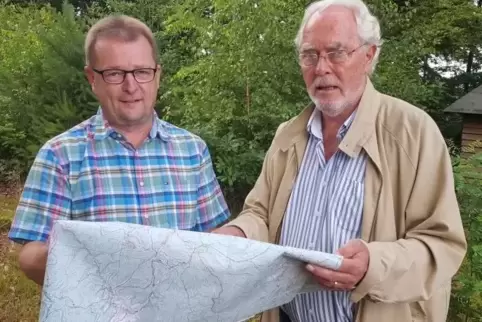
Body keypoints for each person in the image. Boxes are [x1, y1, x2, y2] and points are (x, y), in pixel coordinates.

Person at [213, 0, 467, 321]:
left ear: (369, 55)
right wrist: (238, 235)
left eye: (336, 52)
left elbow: (442, 245)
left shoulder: (413, 133)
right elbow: (262, 215)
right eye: (309, 55)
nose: (321, 68)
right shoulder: (287, 135)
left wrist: (372, 266)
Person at [8, 15, 230, 286]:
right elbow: (30, 256)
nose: (131, 86)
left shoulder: (192, 150)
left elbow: (214, 235)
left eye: (141, 72)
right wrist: (99, 263)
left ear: (157, 75)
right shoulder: (60, 155)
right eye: (115, 73)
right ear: (92, 78)